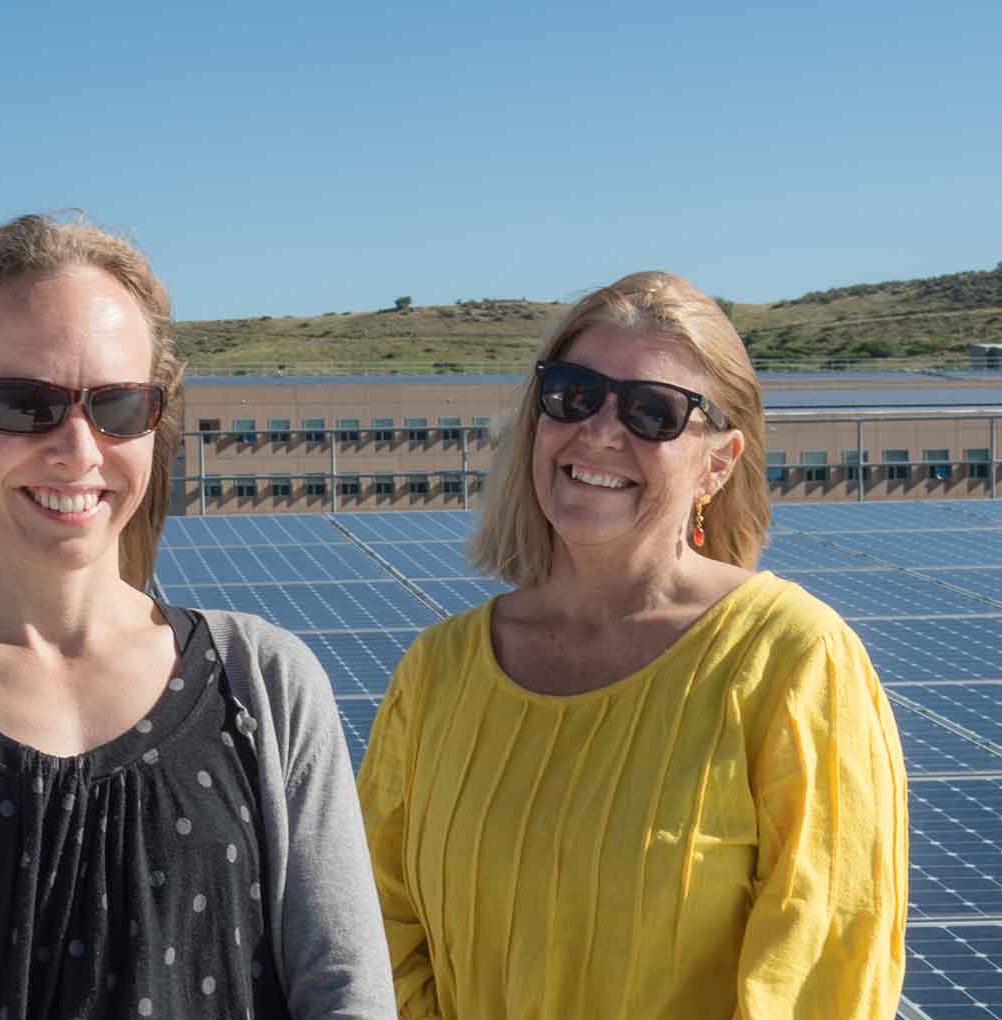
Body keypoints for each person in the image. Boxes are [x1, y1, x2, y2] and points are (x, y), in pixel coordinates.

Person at [0, 213, 398, 1019]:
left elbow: (346, 990)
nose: (78, 447)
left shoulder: (267, 685)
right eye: (22, 403)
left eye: (119, 405)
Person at [356, 271, 908, 1018]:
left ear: (718, 461)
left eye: (654, 412)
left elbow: (822, 972)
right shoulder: (442, 669)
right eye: (573, 394)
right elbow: (372, 930)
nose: (599, 433)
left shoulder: (792, 660)